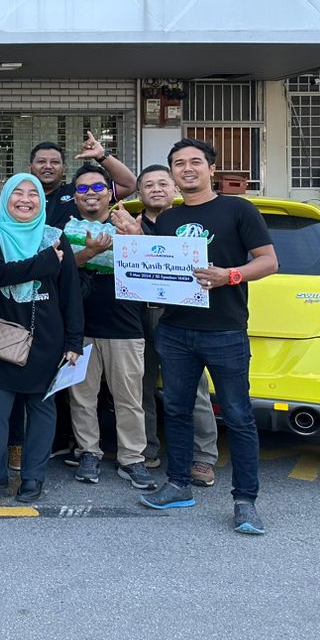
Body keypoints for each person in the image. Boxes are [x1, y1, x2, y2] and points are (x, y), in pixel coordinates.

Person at [120, 139, 277, 534]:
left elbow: (269, 261)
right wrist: (136, 239)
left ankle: (245, 501)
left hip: (225, 331)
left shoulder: (238, 209)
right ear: (173, 173)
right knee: (176, 410)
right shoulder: (168, 219)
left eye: (195, 162)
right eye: (179, 163)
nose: (187, 168)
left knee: (238, 417)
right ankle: (178, 485)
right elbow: (159, 269)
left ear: (211, 169)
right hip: (174, 330)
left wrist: (230, 275)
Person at [0, 174, 83, 503]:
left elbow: (70, 294)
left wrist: (73, 343)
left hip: (45, 339)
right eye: (17, 192)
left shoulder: (55, 237)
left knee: (42, 412)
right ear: (5, 199)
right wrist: (44, 262)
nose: (25, 199)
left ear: (42, 202)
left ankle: (33, 477)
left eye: (33, 194)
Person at [65, 165, 157, 491]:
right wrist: (89, 252)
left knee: (129, 398)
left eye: (97, 188)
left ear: (110, 193)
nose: (90, 194)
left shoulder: (130, 224)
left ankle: (132, 458)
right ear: (74, 197)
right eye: (82, 189)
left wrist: (136, 237)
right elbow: (59, 269)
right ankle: (88, 452)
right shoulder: (64, 229)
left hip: (126, 326)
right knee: (82, 397)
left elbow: (154, 266)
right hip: (80, 328)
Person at [131, 165, 219, 479]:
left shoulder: (191, 224)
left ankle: (203, 456)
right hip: (136, 315)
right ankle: (146, 450)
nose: (156, 189)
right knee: (139, 387)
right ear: (139, 192)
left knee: (193, 388)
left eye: (163, 183)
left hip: (181, 314)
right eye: (148, 185)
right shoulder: (128, 223)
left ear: (175, 189)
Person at [31, 133, 136, 227]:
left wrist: (101, 156)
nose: (48, 166)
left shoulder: (80, 191)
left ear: (64, 169)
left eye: (55, 162)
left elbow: (130, 185)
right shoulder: (23, 198)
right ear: (30, 167)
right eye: (41, 162)